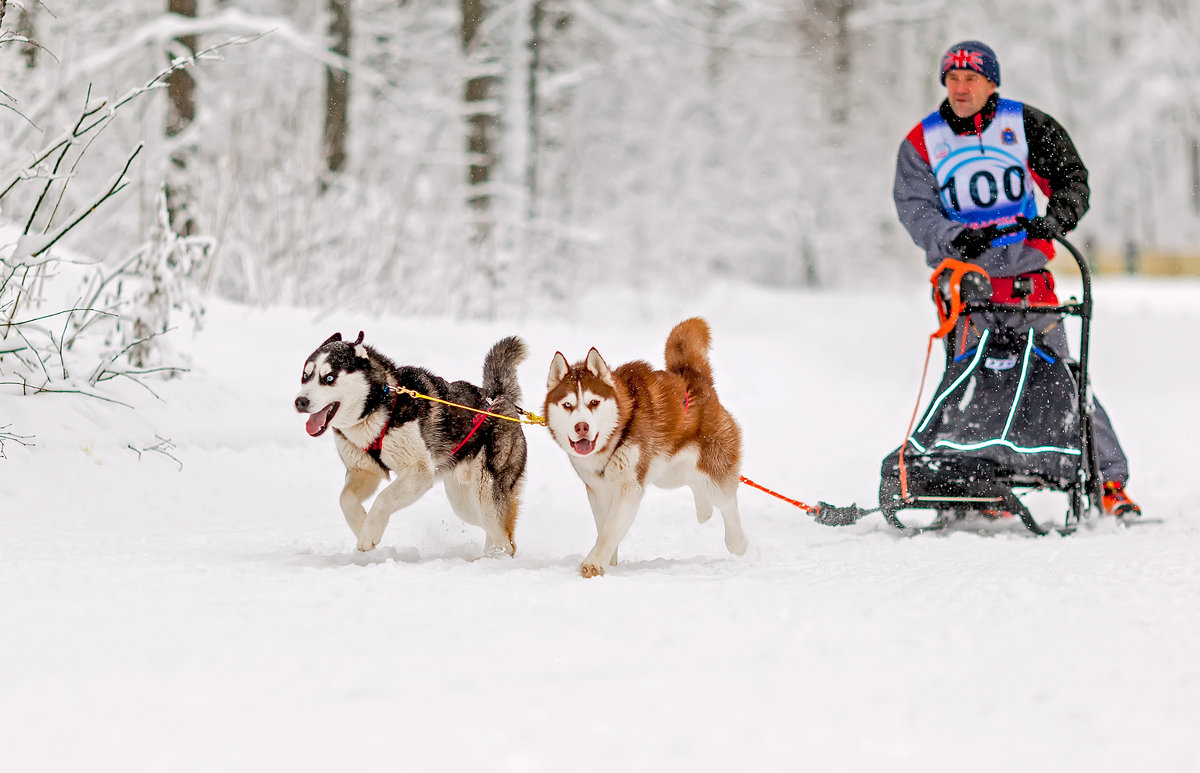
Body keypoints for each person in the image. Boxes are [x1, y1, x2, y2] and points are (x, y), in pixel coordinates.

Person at [893, 40, 1140, 516]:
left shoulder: (1025, 125)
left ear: (992, 83)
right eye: (953, 79)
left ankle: (1108, 481)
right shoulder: (923, 141)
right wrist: (951, 236)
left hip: (1030, 282)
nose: (961, 89)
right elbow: (914, 207)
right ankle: (976, 483)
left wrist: (1058, 217)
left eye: (971, 79)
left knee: (1066, 382)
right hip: (968, 287)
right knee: (968, 385)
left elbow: (1071, 177)